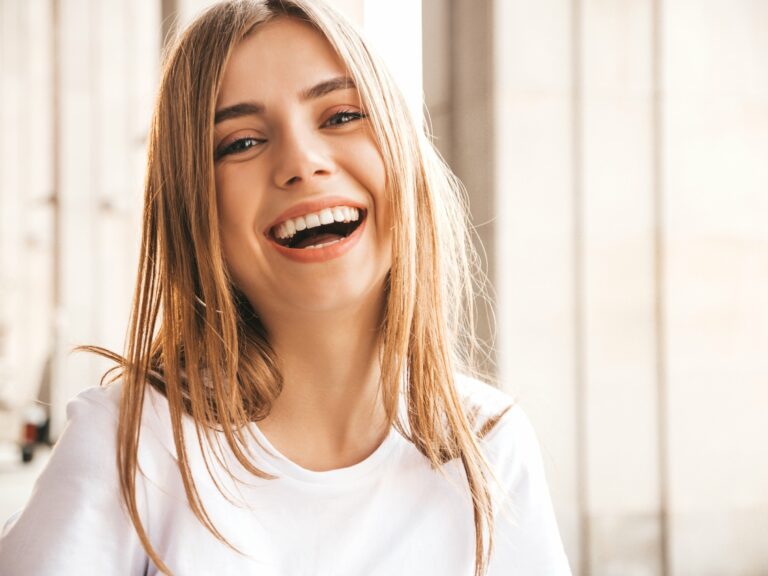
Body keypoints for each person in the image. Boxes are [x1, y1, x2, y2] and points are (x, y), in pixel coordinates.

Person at [0, 1, 571, 574]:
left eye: (342, 115)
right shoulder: (128, 448)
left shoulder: (489, 446)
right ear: (193, 209)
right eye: (242, 142)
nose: (302, 162)